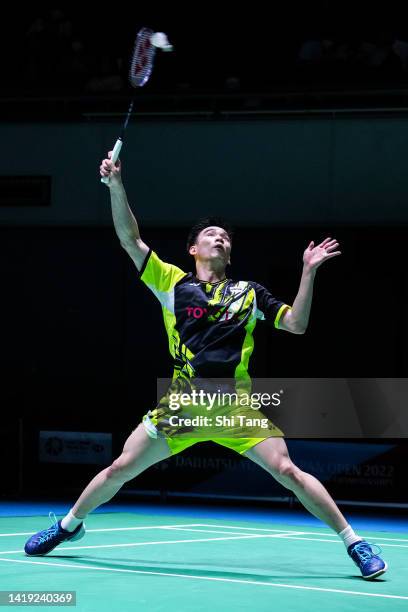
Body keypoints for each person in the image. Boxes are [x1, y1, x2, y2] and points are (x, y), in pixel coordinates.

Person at [24, 152, 387, 580]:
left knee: (288, 470)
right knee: (120, 468)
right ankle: (68, 526)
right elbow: (130, 239)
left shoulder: (249, 294)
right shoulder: (172, 283)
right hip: (181, 409)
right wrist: (115, 185)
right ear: (193, 249)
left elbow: (297, 325)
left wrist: (308, 272)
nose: (219, 238)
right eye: (210, 235)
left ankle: (355, 543)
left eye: (224, 237)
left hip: (235, 410)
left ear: (229, 254)